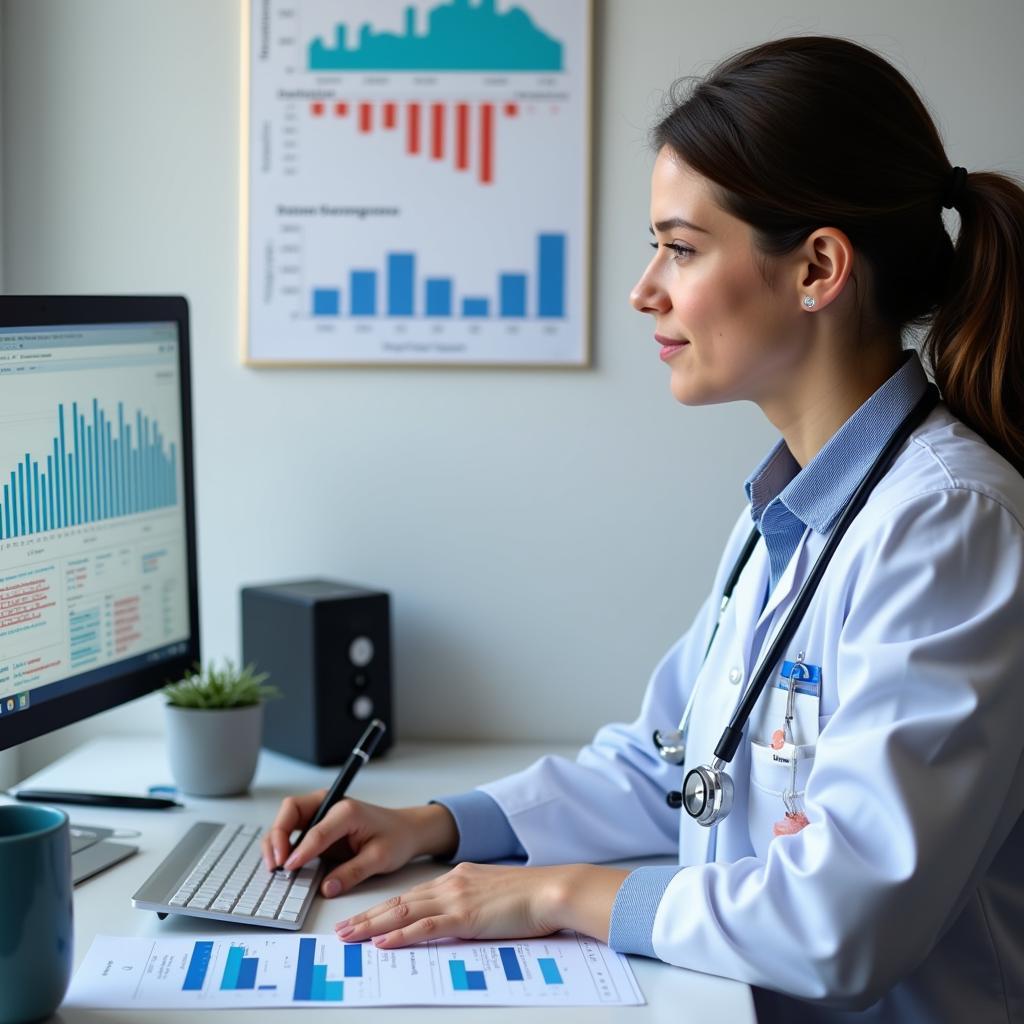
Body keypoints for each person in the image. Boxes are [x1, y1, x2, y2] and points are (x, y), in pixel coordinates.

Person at [261, 36, 1024, 1023]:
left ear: (817, 267)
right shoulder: (788, 509)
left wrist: (560, 892)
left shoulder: (947, 525)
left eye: (681, 246)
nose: (643, 289)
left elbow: (847, 916)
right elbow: (673, 764)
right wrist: (435, 824)